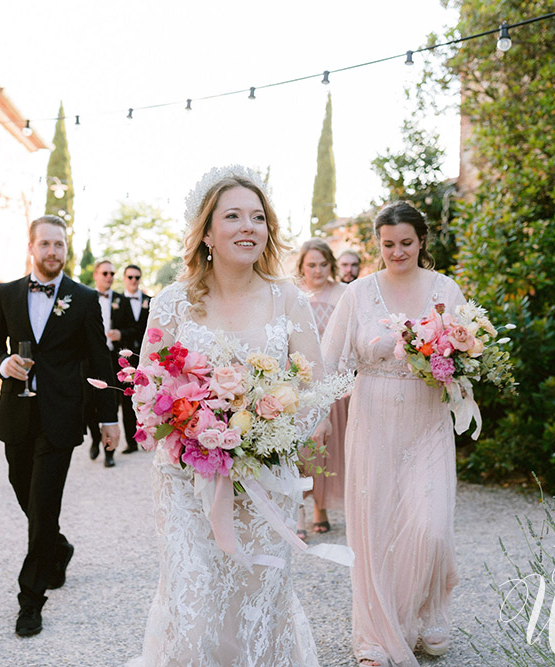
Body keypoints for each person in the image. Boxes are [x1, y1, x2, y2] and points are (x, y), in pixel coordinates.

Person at [127, 165, 335, 666]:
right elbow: (146, 389)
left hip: (265, 477)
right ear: (208, 233)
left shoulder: (288, 298)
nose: (248, 226)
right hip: (185, 480)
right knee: (193, 597)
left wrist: (265, 436)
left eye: (258, 217)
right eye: (234, 216)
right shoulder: (173, 303)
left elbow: (316, 390)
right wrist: (193, 430)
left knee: (256, 599)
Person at [322, 201, 464, 666]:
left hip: (427, 422)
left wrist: (457, 362)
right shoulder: (358, 293)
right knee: (377, 529)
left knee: (431, 527)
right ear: (377, 244)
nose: (397, 252)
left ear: (422, 241)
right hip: (375, 422)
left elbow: (468, 354)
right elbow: (328, 362)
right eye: (388, 245)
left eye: (406, 243)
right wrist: (311, 415)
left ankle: (424, 613)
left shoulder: (446, 290)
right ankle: (376, 635)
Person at [0, 215, 120, 638]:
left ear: (66, 249)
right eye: (45, 244)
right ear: (32, 248)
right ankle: (58, 549)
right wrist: (3, 364)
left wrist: (108, 416)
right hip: (17, 413)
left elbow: (100, 361)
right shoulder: (7, 293)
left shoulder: (82, 299)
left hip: (61, 417)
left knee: (43, 506)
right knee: (25, 492)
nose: (53, 252)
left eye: (59, 245)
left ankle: (30, 600)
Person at [294, 238, 348, 540]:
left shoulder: (343, 294)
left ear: (331, 264)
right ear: (302, 266)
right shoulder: (294, 295)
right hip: (301, 385)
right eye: (311, 264)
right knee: (301, 450)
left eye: (323, 264)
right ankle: (298, 510)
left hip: (333, 384)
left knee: (327, 452)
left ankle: (321, 508)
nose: (317, 270)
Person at [86, 258, 123, 467]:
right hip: (90, 359)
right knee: (89, 403)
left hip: (114, 358)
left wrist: (121, 334)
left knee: (111, 402)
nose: (109, 277)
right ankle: (94, 437)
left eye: (112, 274)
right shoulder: (84, 299)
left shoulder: (120, 300)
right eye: (105, 273)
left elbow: (135, 328)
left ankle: (110, 452)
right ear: (96, 275)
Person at [111, 263, 151, 454]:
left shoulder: (150, 301)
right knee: (127, 401)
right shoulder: (117, 303)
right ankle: (131, 442)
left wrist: (123, 333)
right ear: (125, 279)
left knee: (147, 398)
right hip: (124, 361)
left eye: (137, 277)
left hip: (145, 359)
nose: (133, 281)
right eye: (130, 277)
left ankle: (148, 439)